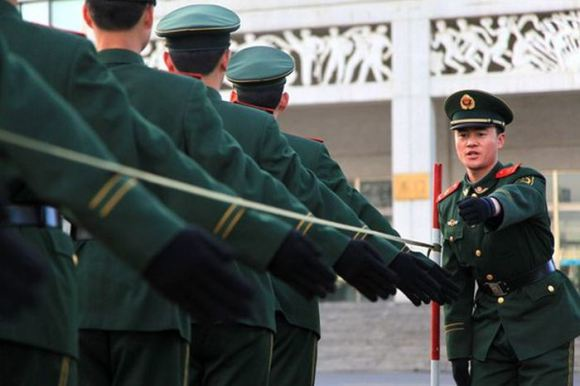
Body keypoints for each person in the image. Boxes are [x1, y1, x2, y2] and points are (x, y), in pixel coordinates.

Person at [0, 2, 339, 384]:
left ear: (87, 15)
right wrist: (313, 244)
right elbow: (155, 168)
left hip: (86, 289)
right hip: (148, 294)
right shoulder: (59, 57)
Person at [80, 0, 397, 384]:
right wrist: (366, 250)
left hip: (102, 292)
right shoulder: (187, 105)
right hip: (232, 301)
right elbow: (293, 194)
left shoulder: (68, 84)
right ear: (226, 61)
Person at [0, 33, 258, 385]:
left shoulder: (59, 67)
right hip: (157, 292)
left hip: (82, 284)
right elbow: (212, 182)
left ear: (89, 15)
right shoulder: (179, 97)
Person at [226, 45, 458, 386]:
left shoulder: (202, 139)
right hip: (290, 310)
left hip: (221, 300)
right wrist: (400, 256)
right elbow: (351, 211)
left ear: (232, 98)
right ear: (284, 100)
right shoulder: (307, 153)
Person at [438, 89, 580, 386]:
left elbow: (517, 199)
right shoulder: (448, 203)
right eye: (463, 135)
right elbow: (457, 285)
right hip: (489, 328)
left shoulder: (526, 180)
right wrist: (458, 351)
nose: (471, 142)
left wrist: (490, 206)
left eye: (481, 133)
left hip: (542, 317)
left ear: (500, 139)